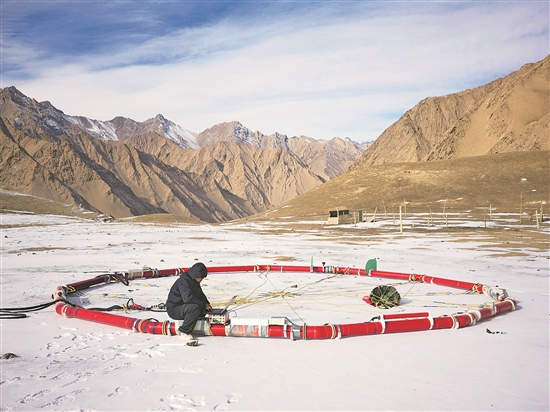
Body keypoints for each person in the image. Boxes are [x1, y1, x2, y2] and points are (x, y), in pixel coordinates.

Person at [166, 262, 212, 339]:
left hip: (183, 306)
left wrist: (206, 304)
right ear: (196, 275)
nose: (201, 279)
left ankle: (194, 326)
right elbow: (188, 298)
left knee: (200, 307)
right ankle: (184, 331)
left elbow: (200, 294)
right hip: (174, 309)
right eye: (201, 277)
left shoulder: (194, 281)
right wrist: (203, 305)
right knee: (194, 308)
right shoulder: (184, 281)